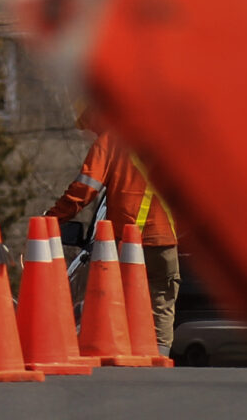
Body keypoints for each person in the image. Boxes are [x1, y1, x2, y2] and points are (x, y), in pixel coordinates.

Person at [50, 109, 180, 360]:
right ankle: (160, 361)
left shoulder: (110, 141)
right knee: (161, 304)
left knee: (118, 301)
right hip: (165, 241)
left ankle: (124, 358)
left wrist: (52, 218)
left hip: (127, 243)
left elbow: (84, 190)